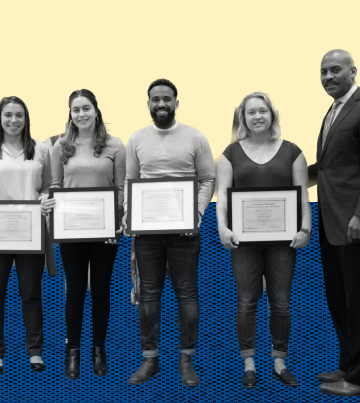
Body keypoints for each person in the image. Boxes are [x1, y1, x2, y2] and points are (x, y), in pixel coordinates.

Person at [309, 50, 360, 396]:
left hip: (357, 224)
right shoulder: (333, 111)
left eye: (335, 70)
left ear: (352, 71)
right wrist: (280, 178)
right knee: (339, 300)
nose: (328, 77)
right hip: (332, 224)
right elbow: (329, 168)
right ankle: (349, 364)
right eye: (323, 72)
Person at [216, 92, 312, 389]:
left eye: (263, 111)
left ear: (272, 116)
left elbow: (303, 195)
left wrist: (305, 230)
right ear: (243, 118)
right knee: (246, 303)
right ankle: (249, 364)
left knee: (281, 304)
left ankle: (279, 363)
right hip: (242, 242)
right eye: (251, 112)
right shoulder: (230, 153)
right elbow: (222, 198)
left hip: (284, 242)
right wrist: (222, 228)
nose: (257, 116)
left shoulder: (293, 151)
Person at [125, 79, 215, 387]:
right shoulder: (136, 139)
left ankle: (186, 360)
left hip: (184, 233)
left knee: (187, 294)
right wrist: (129, 217)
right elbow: (130, 181)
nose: (161, 104)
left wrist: (198, 213)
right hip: (147, 232)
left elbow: (207, 179)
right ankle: (150, 359)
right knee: (149, 295)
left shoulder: (195, 137)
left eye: (166, 99)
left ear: (177, 102)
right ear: (147, 104)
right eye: (155, 99)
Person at [42, 89, 125, 380]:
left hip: (105, 231)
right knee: (75, 290)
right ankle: (73, 352)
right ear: (70, 114)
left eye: (86, 108)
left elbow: (121, 188)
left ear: (96, 110)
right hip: (72, 230)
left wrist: (119, 221)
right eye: (75, 110)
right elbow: (55, 185)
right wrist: (51, 202)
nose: (81, 114)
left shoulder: (114, 146)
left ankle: (99, 350)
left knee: (101, 290)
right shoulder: (60, 146)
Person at [0, 96, 51, 375]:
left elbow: (46, 188)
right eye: (8, 115)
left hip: (30, 233)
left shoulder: (40, 150)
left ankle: (35, 353)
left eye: (19, 115)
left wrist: (44, 199)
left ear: (26, 118)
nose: (14, 120)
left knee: (31, 295)